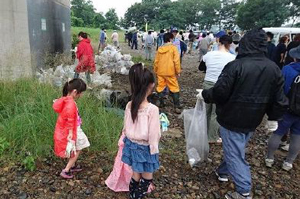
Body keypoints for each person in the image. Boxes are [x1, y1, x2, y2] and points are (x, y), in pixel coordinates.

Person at [198, 29, 288, 199]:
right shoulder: (273, 68)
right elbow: (279, 98)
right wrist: (273, 116)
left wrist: (204, 94)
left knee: (234, 153)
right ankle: (223, 172)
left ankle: (244, 191)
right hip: (254, 119)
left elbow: (220, 92)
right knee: (235, 148)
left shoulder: (236, 66)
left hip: (232, 118)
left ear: (245, 44)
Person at [121, 63, 161, 199]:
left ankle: (132, 194)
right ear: (151, 86)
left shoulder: (129, 105)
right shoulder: (152, 109)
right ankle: (136, 196)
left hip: (131, 144)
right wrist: (154, 149)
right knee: (147, 176)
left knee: (136, 172)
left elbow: (125, 127)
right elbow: (154, 134)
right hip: (145, 147)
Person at [266, 45, 300, 171]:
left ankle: (269, 158)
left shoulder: (287, 69)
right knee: (297, 136)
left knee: (278, 133)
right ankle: (288, 162)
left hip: (286, 108)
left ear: (295, 57)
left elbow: (279, 88)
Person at [53, 78, 90, 179]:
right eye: (80, 93)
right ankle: (66, 170)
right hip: (74, 129)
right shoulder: (71, 104)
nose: (81, 95)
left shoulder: (65, 100)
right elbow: (70, 119)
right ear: (75, 92)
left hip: (72, 128)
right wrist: (70, 133)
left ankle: (72, 166)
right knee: (79, 148)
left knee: (74, 147)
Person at [202, 35, 236, 143]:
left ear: (219, 42)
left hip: (207, 83)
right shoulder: (232, 58)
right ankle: (212, 137)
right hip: (221, 85)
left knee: (206, 110)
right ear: (230, 45)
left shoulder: (209, 54)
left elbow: (201, 67)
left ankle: (203, 133)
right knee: (215, 113)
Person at [154, 33, 182, 114]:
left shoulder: (160, 49)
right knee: (174, 88)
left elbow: (156, 61)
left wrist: (156, 70)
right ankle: (176, 106)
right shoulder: (173, 48)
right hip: (170, 72)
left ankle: (161, 103)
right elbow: (176, 61)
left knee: (160, 87)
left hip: (160, 72)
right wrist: (178, 71)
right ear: (170, 39)